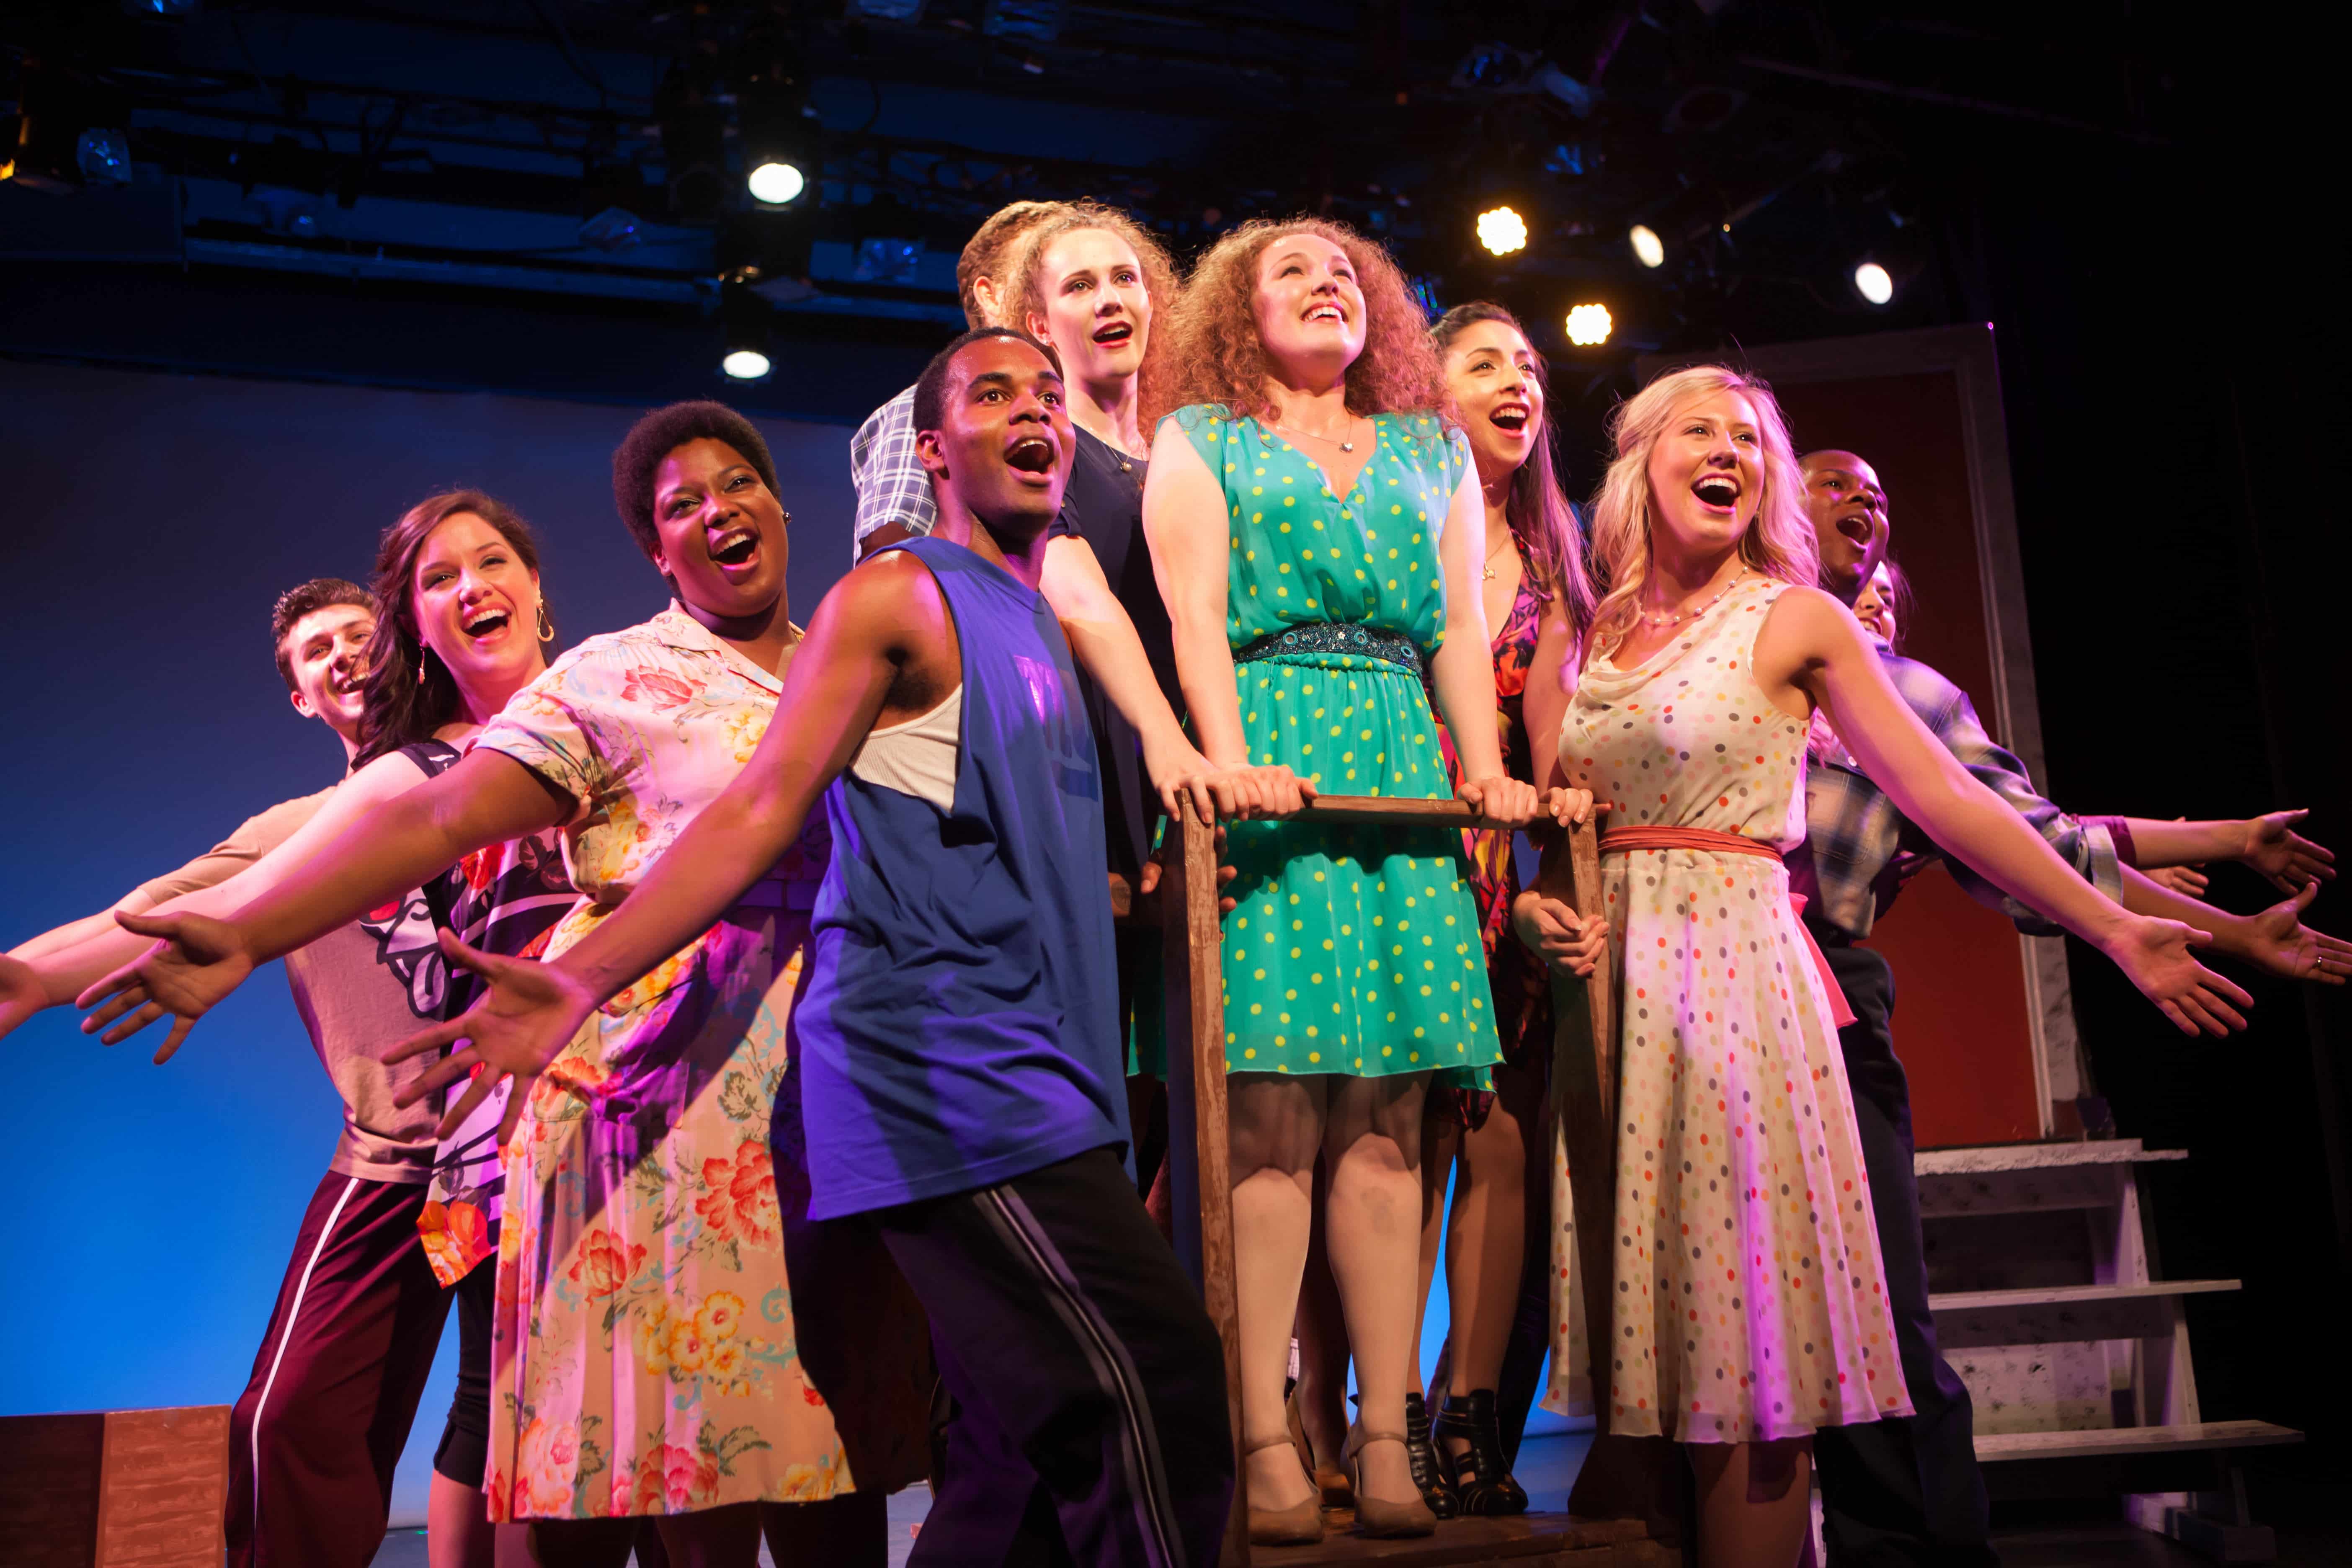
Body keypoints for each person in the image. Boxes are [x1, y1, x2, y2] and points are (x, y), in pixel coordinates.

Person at [387, 328, 1259, 1568]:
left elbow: (979, 843)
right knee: (1139, 1395)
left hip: (883, 1102)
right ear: (930, 449)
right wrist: (576, 978)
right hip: (842, 1084)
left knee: (965, 1461)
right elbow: (746, 811)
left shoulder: (1015, 625)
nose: (720, 512)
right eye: (682, 504)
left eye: (1046, 395)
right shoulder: (871, 607)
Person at [79, 416, 925, 1568]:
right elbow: (431, 812)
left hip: (838, 1084)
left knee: (846, 1449)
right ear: (654, 551)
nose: (719, 511)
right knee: (712, 1465)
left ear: (782, 508)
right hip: (672, 1098)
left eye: (741, 486)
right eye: (681, 505)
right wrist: (245, 930)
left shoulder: (862, 651)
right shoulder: (615, 675)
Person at [1517, 365, 2259, 1568]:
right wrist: (1537, 919)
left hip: (1739, 996)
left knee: (1749, 1378)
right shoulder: (1594, 630)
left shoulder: (1794, 618)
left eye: (1751, 439)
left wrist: (2113, 923)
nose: (1731, 452)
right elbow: (1560, 829)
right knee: (1644, 1392)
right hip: (1613, 1017)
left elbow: (1954, 800)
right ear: (1641, 460)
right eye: (1699, 430)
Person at [1786, 446, 2347, 1566]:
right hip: (1702, 983)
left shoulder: (1907, 698)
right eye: (1838, 485)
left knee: (1882, 1314)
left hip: (1827, 992)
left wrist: (2232, 900)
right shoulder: (1725, 655)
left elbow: (2039, 840)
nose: (1869, 511)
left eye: (1884, 503)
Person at [4, 498, 562, 1568]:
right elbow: (155, 913)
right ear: (300, 696)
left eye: (361, 632)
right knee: (290, 1418)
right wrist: (26, 975)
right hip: (396, 1161)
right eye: (318, 651)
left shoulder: (506, 763)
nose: (346, 656)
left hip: (526, 1144)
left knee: (514, 1419)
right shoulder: (299, 830)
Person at [1140, 217, 1543, 1543]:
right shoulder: (1203, 438)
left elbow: (1465, 624)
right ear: (1237, 313)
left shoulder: (1431, 451)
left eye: (1345, 273)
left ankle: (1385, 1434)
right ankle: (1264, 1430)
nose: (1325, 286)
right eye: (1290, 272)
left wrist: (1482, 771)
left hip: (1398, 772)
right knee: (1269, 1126)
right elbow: (1197, 619)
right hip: (1279, 766)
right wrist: (1228, 762)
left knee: (1388, 1122)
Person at [851, 199, 1068, 560]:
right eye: (1040, 272)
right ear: (991, 295)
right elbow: (891, 555)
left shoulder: (1069, 421)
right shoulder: (930, 408)